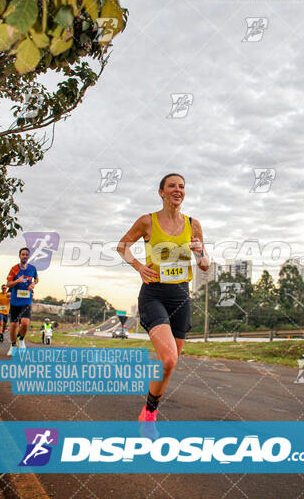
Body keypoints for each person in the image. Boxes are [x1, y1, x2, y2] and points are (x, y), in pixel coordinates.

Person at [117, 173, 209, 433]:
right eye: (172, 186)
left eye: (181, 186)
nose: (177, 190)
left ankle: (149, 409)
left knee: (169, 362)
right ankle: (150, 414)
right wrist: (137, 266)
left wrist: (199, 251)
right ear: (161, 192)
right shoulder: (148, 221)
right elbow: (122, 246)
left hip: (181, 297)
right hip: (153, 294)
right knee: (168, 360)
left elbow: (204, 264)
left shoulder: (194, 224)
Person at [6, 247, 39, 355]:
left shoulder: (32, 268)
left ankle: (21, 339)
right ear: (19, 256)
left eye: (26, 255)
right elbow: (8, 284)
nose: (24, 256)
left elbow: (37, 279)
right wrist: (17, 281)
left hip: (26, 301)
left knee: (25, 323)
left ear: (29, 257)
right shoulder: (14, 269)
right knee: (14, 325)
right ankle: (13, 345)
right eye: (23, 254)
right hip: (15, 301)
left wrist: (34, 284)